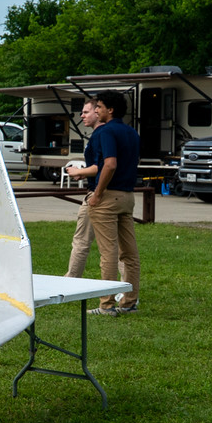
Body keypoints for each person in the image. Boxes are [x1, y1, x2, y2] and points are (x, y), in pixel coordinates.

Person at [78, 90, 140, 315]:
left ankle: (107, 305)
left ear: (110, 110)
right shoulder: (132, 132)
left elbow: (110, 164)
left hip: (108, 197)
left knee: (109, 253)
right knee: (130, 254)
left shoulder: (105, 131)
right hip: (127, 197)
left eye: (99, 107)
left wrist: (97, 194)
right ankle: (130, 303)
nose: (96, 110)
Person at [63, 99, 100, 278]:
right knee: (115, 244)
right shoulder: (103, 134)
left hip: (97, 196)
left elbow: (104, 166)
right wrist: (84, 174)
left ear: (98, 112)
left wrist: (80, 171)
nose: (82, 115)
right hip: (110, 194)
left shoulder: (101, 135)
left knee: (82, 241)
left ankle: (70, 281)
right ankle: (128, 288)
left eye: (86, 112)